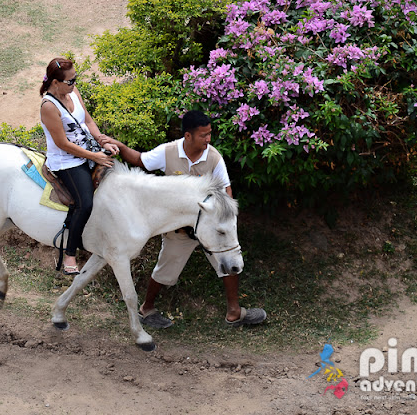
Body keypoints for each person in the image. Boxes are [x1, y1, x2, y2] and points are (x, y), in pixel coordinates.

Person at [101, 110, 266, 327]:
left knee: (227, 260)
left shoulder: (213, 157)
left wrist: (221, 221)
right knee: (165, 268)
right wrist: (119, 146)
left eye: (209, 134)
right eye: (203, 135)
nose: (208, 139)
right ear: (188, 136)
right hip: (179, 230)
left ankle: (234, 312)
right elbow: (140, 160)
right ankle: (146, 309)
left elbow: (227, 191)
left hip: (208, 226)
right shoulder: (168, 152)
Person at [39, 57, 119, 275]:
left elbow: (88, 122)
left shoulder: (73, 93)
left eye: (75, 79)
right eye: (70, 81)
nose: (74, 84)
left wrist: (103, 140)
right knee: (85, 203)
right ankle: (71, 253)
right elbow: (62, 143)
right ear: (55, 83)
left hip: (89, 150)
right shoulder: (48, 106)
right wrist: (95, 156)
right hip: (67, 160)